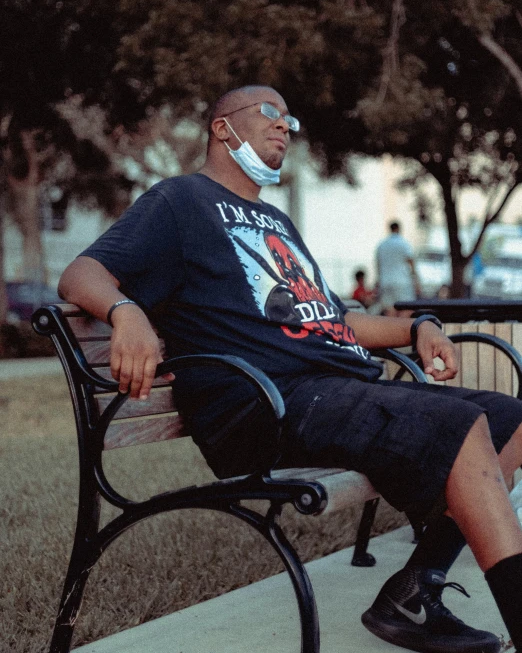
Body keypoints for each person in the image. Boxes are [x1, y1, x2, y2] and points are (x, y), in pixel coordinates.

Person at [59, 84, 522, 653]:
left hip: (330, 391)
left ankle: (412, 594)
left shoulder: (276, 221)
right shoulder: (180, 201)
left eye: (289, 119)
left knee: (510, 418)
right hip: (270, 404)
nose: (285, 127)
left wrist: (418, 325)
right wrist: (125, 312)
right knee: (463, 427)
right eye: (269, 114)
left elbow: (334, 319)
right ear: (223, 129)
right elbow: (81, 274)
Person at [376, 222, 421, 316]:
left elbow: (378, 265)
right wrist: (416, 280)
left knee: (389, 310)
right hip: (402, 282)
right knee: (406, 309)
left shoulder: (381, 245)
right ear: (399, 229)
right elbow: (411, 262)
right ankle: (404, 330)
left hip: (386, 281)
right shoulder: (404, 243)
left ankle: (391, 330)